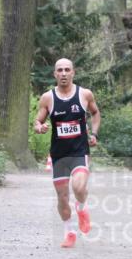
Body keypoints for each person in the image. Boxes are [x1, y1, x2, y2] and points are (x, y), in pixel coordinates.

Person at [33, 58, 101, 248]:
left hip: (79, 151)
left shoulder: (84, 94)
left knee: (79, 188)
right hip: (59, 155)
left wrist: (94, 133)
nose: (63, 73)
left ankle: (81, 208)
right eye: (60, 70)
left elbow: (95, 113)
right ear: (55, 74)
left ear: (73, 73)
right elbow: (37, 121)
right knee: (62, 198)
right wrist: (40, 127)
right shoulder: (48, 98)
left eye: (67, 70)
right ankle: (69, 232)